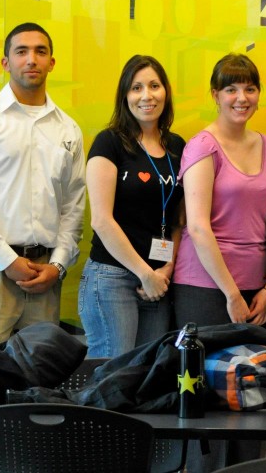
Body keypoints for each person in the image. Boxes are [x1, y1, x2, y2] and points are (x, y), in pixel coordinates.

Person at [0, 22, 85, 348]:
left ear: (52, 62)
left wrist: (59, 264)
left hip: (44, 273)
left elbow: (73, 206)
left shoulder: (68, 129)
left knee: (38, 378)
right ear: (6, 63)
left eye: (40, 51)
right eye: (21, 51)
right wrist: (6, 260)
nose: (31, 59)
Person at [79, 55, 184, 358]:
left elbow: (178, 220)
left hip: (159, 281)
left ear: (165, 91)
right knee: (114, 375)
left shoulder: (178, 147)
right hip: (113, 277)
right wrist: (144, 273)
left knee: (145, 378)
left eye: (154, 85)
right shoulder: (109, 142)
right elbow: (101, 220)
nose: (147, 95)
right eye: (136, 88)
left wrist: (166, 268)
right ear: (125, 96)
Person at [172, 53, 266, 329]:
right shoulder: (202, 147)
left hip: (256, 288)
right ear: (216, 95)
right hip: (205, 286)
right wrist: (231, 294)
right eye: (231, 90)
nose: (242, 98)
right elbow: (197, 227)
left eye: (250, 89)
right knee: (208, 371)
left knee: (253, 371)